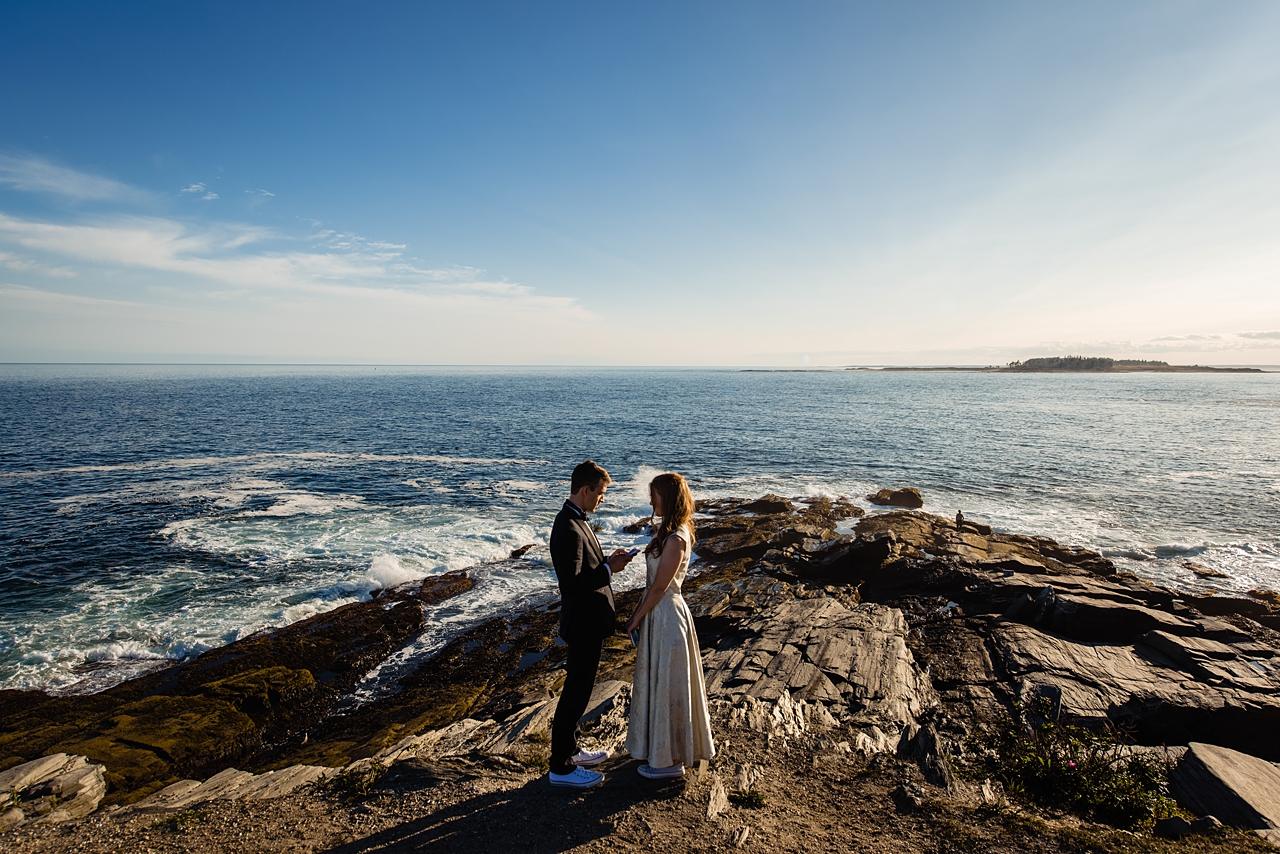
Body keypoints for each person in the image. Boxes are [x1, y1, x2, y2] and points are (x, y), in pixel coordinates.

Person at [547, 460, 637, 789]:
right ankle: (561, 767)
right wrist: (609, 570)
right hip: (582, 625)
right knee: (575, 694)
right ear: (585, 490)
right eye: (600, 493)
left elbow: (586, 567)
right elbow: (571, 586)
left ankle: (571, 750)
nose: (602, 499)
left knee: (580, 691)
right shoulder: (568, 527)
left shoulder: (577, 520)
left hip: (589, 624)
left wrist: (607, 562)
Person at [624, 472, 715, 780]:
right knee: (661, 681)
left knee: (669, 685)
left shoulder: (676, 538)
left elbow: (661, 587)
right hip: (657, 615)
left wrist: (637, 617)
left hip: (667, 617)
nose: (651, 501)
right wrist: (638, 613)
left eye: (656, 496)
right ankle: (661, 751)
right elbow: (651, 586)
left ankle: (669, 761)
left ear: (669, 497)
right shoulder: (668, 532)